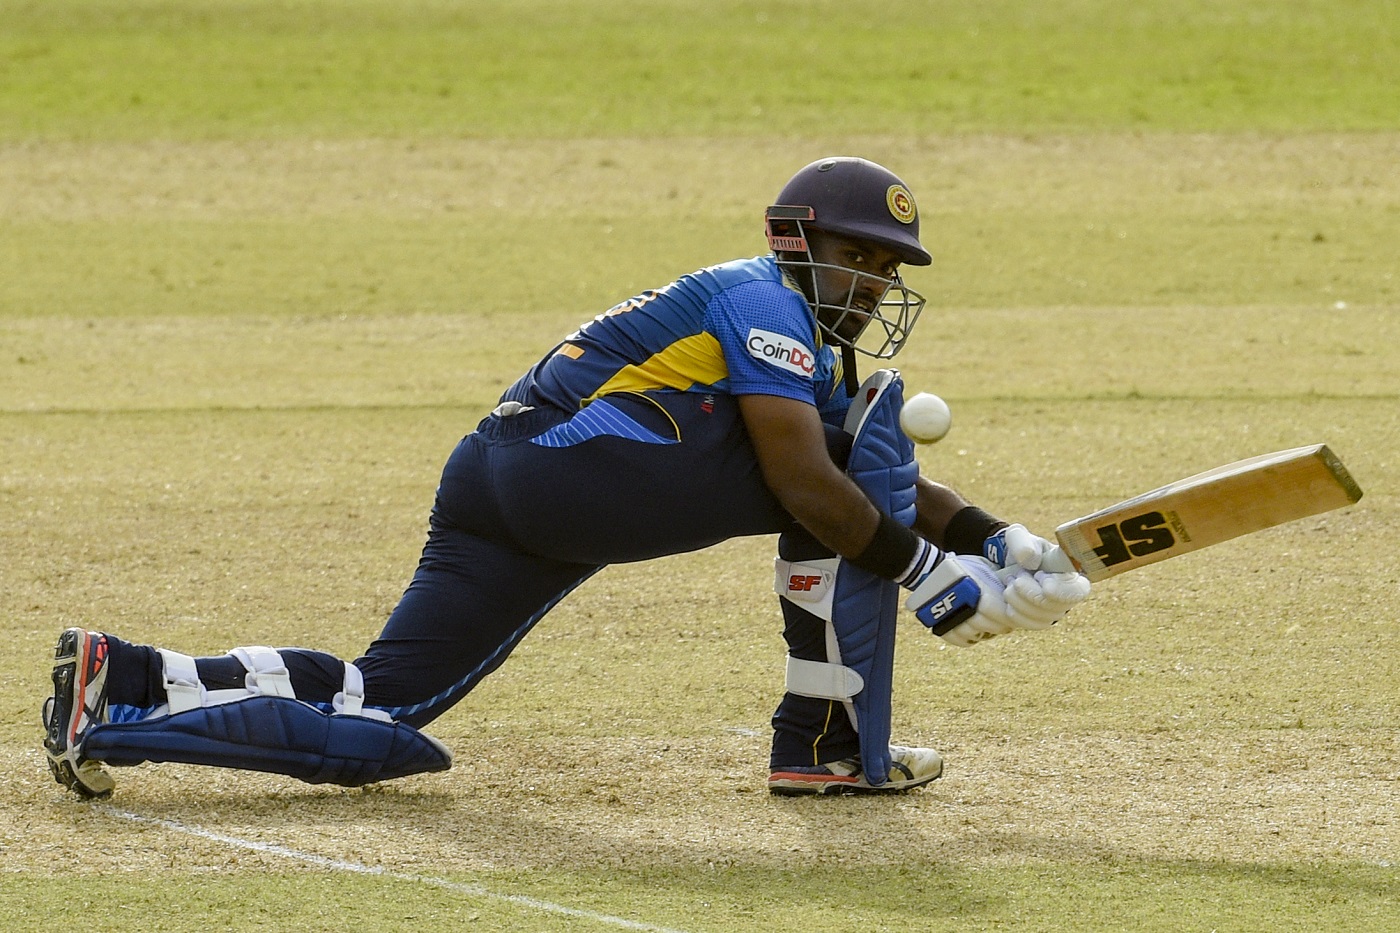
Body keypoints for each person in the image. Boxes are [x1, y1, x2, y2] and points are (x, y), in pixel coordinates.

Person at [43, 157, 1090, 800]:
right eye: (864, 258)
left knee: (385, 715)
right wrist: (921, 573)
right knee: (837, 466)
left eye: (890, 268)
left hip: (502, 478)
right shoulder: (761, 303)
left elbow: (848, 466)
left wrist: (997, 540)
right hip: (569, 475)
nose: (876, 285)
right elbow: (816, 484)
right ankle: (817, 742)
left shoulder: (784, 331)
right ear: (800, 241)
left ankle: (124, 682)